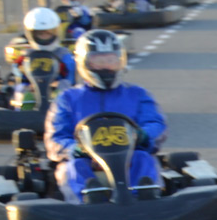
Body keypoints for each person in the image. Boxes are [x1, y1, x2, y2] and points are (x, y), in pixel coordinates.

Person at [44, 29, 166, 204]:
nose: (106, 67)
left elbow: (155, 123)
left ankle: (144, 198)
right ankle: (88, 200)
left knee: (143, 158)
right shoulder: (68, 98)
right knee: (72, 167)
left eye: (111, 61)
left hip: (128, 156)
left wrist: (143, 135)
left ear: (120, 61)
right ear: (84, 63)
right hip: (86, 160)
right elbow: (55, 136)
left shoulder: (137, 94)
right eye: (99, 62)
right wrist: (75, 149)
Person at [10, 7, 76, 109]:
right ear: (31, 34)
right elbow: (19, 78)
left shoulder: (64, 54)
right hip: (33, 91)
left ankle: (62, 114)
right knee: (20, 89)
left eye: (48, 33)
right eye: (41, 34)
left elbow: (71, 80)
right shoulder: (26, 56)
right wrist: (28, 86)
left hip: (56, 91)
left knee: (64, 86)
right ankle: (21, 114)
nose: (45, 37)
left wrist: (55, 84)